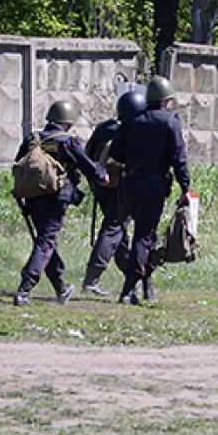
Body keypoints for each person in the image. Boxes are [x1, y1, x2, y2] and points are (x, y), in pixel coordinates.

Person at [12, 100, 108, 305]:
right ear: (68, 121)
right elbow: (88, 166)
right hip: (56, 199)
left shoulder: (33, 138)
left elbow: (18, 163)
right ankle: (25, 288)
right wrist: (103, 175)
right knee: (46, 242)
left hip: (31, 197)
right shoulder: (67, 142)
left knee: (46, 241)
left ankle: (60, 286)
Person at [111, 76, 192, 305]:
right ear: (166, 100)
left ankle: (147, 286)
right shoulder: (170, 122)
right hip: (154, 185)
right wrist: (185, 187)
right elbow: (179, 159)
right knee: (144, 237)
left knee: (147, 235)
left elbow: (116, 153)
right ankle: (128, 289)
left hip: (130, 184)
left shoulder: (132, 120)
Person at [81, 89, 145, 296]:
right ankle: (91, 280)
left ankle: (131, 276)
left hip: (102, 187)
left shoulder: (103, 128)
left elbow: (88, 155)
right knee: (113, 229)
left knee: (118, 232)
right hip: (121, 189)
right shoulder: (132, 131)